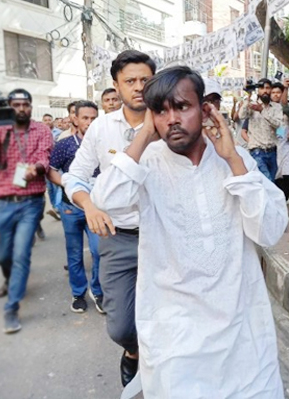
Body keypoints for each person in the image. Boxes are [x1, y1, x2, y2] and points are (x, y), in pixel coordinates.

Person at [91, 66, 286, 397]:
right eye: (161, 110)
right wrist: (142, 138)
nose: (171, 119)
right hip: (175, 334)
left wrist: (233, 162)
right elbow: (106, 201)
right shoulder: (146, 162)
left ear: (204, 109)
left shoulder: (236, 160)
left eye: (182, 106)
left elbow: (269, 230)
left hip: (242, 330)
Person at [62, 50, 156, 386]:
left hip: (162, 236)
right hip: (117, 236)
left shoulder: (168, 120)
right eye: (130, 81)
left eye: (145, 80)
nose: (138, 87)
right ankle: (133, 352)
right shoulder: (101, 128)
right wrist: (90, 206)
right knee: (121, 327)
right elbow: (75, 176)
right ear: (116, 86)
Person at [0, 88, 53, 333]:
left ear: (31, 107)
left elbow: (45, 157)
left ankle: (12, 308)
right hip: (4, 203)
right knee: (1, 255)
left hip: (30, 203)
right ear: (9, 106)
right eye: (17, 105)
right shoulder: (1, 130)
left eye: (26, 105)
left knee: (21, 254)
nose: (21, 109)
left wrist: (38, 169)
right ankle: (10, 280)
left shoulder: (42, 130)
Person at [47, 101, 103, 314]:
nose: (90, 122)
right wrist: (69, 185)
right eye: (85, 118)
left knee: (98, 251)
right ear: (75, 119)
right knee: (74, 253)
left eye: (93, 118)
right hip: (71, 208)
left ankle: (97, 291)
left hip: (97, 208)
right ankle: (78, 293)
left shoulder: (104, 143)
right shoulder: (65, 144)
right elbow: (51, 170)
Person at [239, 78, 282, 181]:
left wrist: (262, 111)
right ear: (258, 90)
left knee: (271, 184)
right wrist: (248, 97)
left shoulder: (276, 107)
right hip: (257, 152)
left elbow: (278, 124)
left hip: (273, 151)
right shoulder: (252, 105)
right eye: (262, 88)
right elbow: (241, 115)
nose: (265, 91)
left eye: (267, 88)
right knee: (268, 181)